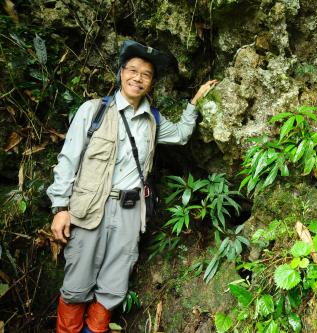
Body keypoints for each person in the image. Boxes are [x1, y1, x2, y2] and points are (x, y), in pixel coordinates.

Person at [47, 40, 217, 333]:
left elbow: (180, 136)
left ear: (152, 82)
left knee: (114, 282)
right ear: (121, 72)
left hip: (128, 211)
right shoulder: (93, 111)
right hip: (89, 208)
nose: (138, 78)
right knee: (76, 283)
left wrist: (194, 104)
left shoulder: (152, 119)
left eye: (146, 74)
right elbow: (68, 158)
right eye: (133, 70)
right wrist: (61, 208)